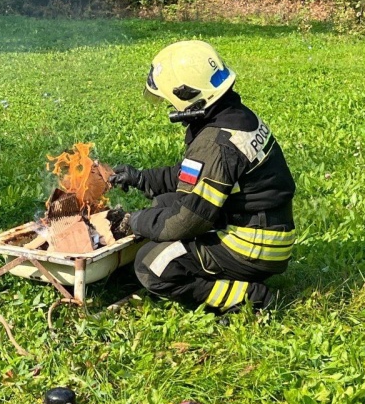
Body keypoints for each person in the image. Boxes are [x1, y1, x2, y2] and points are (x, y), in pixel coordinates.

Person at [108, 40, 296, 314]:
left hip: (254, 246)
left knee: (151, 265)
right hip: (266, 230)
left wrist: (134, 221)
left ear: (188, 94)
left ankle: (249, 296)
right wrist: (141, 178)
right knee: (163, 203)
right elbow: (192, 176)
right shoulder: (233, 117)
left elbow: (187, 221)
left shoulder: (215, 144)